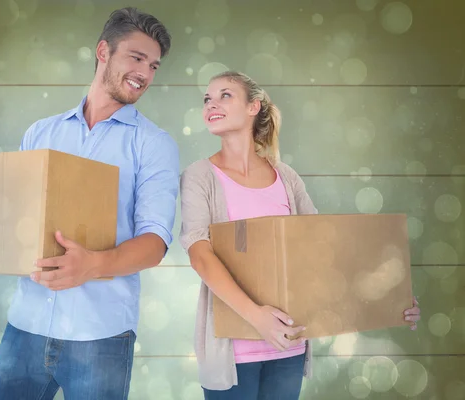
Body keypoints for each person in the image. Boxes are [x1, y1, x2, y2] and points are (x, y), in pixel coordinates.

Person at [0, 7, 179, 400]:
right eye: (136, 58)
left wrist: (93, 265)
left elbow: (155, 243)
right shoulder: (41, 132)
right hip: (26, 327)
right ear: (103, 51)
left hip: (100, 335)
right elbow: (13, 222)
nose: (145, 73)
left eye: (154, 65)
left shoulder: (154, 145)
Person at [178, 70, 421, 399]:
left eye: (224, 95)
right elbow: (199, 254)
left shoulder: (285, 176)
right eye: (207, 98)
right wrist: (257, 318)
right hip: (232, 355)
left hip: (288, 349)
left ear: (253, 107)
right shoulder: (200, 176)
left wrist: (388, 300)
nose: (211, 104)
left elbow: (323, 251)